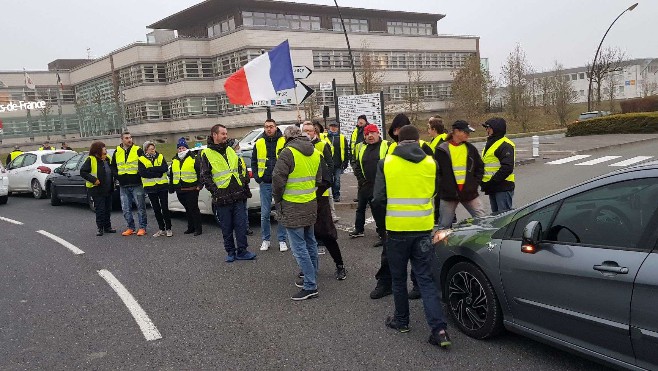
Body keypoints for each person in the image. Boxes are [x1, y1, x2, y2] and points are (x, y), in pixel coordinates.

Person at [373, 125, 452, 348]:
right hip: (423, 228)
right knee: (425, 279)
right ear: (418, 142)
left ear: (398, 140)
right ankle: (440, 330)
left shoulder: (386, 163)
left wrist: (384, 222)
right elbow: (435, 192)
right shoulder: (431, 162)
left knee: (398, 279)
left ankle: (402, 321)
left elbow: (378, 199)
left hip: (397, 230)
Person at [272, 125, 322, 301]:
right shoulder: (315, 152)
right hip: (310, 203)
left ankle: (310, 285)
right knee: (310, 243)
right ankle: (312, 277)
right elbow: (319, 178)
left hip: (292, 206)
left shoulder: (287, 153)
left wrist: (277, 200)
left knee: (299, 247)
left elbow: (278, 180)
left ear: (287, 138)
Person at [201, 124, 255, 263]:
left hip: (238, 194)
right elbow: (205, 176)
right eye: (223, 133)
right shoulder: (206, 154)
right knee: (227, 227)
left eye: (226, 133)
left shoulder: (230, 150)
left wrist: (243, 183)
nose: (226, 136)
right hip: (222, 196)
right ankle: (230, 252)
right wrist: (216, 191)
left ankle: (242, 251)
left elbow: (240, 167)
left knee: (241, 225)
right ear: (214, 135)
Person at [434, 120, 486, 230]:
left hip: (469, 192)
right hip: (449, 195)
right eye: (465, 132)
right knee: (444, 226)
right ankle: (442, 246)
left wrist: (474, 184)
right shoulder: (441, 150)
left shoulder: (470, 149)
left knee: (483, 221)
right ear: (456, 131)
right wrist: (443, 186)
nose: (468, 135)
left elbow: (479, 167)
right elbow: (436, 172)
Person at [251, 119, 288, 252]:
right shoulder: (259, 142)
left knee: (281, 212)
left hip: (280, 182)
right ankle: (265, 240)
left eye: (271, 126)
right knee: (265, 213)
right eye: (266, 127)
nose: (269, 129)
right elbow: (254, 161)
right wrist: (257, 177)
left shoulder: (284, 141)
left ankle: (282, 240)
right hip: (265, 182)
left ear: (276, 127)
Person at [111, 131, 148, 236]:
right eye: (127, 138)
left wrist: (139, 175)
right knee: (126, 208)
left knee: (140, 207)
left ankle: (142, 227)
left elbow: (144, 164)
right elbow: (113, 166)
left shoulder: (137, 150)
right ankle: (130, 227)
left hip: (136, 183)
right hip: (123, 184)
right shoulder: (117, 151)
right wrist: (118, 176)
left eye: (130, 137)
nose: (129, 140)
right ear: (122, 139)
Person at [80, 141, 117, 237]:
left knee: (108, 209)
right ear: (98, 149)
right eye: (103, 148)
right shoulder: (91, 159)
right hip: (97, 189)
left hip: (108, 188)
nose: (105, 150)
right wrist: (94, 180)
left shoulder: (107, 159)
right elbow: (83, 172)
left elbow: (112, 170)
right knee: (100, 209)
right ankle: (100, 228)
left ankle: (107, 227)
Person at [169, 137, 203, 236]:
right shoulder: (174, 160)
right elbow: (172, 174)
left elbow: (200, 173)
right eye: (179, 148)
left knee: (193, 209)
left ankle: (198, 228)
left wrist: (199, 185)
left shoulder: (193, 158)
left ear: (187, 148)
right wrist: (171, 187)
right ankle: (190, 227)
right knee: (187, 209)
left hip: (192, 189)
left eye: (183, 148)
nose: (181, 150)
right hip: (180, 189)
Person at [481, 117, 516, 213]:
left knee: (503, 218)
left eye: (488, 128)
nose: (487, 130)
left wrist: (492, 181)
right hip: (493, 186)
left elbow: (507, 168)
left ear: (496, 128)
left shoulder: (505, 145)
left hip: (502, 186)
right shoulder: (491, 143)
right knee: (496, 218)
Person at [139, 141, 172, 237]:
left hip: (162, 186)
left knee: (165, 208)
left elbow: (165, 168)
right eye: (150, 149)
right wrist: (157, 172)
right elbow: (143, 173)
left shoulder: (160, 156)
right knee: (156, 209)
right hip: (150, 188)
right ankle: (161, 228)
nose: (153, 150)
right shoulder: (141, 159)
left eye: (153, 148)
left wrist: (152, 169)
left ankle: (168, 228)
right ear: (146, 150)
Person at [229, 138, 253, 236]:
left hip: (243, 187)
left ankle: (245, 228)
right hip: (236, 189)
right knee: (239, 211)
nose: (239, 148)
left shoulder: (240, 158)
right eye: (237, 147)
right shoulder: (231, 159)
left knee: (244, 209)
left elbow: (245, 171)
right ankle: (241, 228)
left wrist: (246, 180)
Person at [326, 122, 350, 203]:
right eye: (332, 126)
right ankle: (330, 195)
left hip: (338, 163)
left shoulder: (342, 138)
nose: (333, 128)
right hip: (328, 164)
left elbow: (346, 150)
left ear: (338, 128)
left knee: (337, 180)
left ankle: (336, 195)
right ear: (329, 127)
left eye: (335, 126)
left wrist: (345, 162)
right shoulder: (325, 137)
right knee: (329, 180)